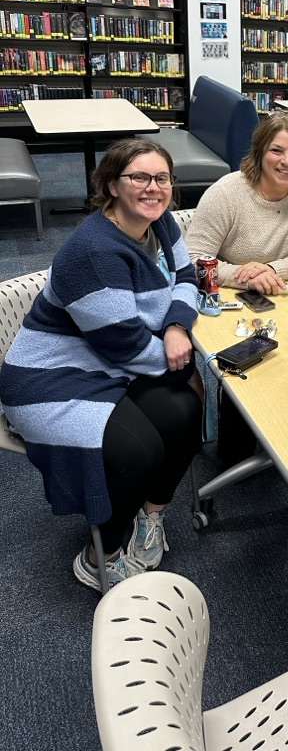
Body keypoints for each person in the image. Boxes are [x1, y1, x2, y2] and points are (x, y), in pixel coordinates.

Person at [0, 138, 202, 592]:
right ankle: (100, 556)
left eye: (162, 178)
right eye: (139, 178)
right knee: (139, 452)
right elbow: (125, 346)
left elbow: (189, 279)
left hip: (112, 361)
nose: (154, 188)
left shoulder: (160, 222)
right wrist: (176, 356)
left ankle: (150, 518)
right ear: (112, 185)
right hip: (51, 376)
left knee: (186, 413)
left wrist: (175, 327)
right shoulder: (93, 252)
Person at [186, 110, 288, 292]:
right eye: (276, 151)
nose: (287, 161)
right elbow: (193, 259)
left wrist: (272, 270)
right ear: (259, 153)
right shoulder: (225, 194)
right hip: (232, 293)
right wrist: (244, 278)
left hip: (285, 288)